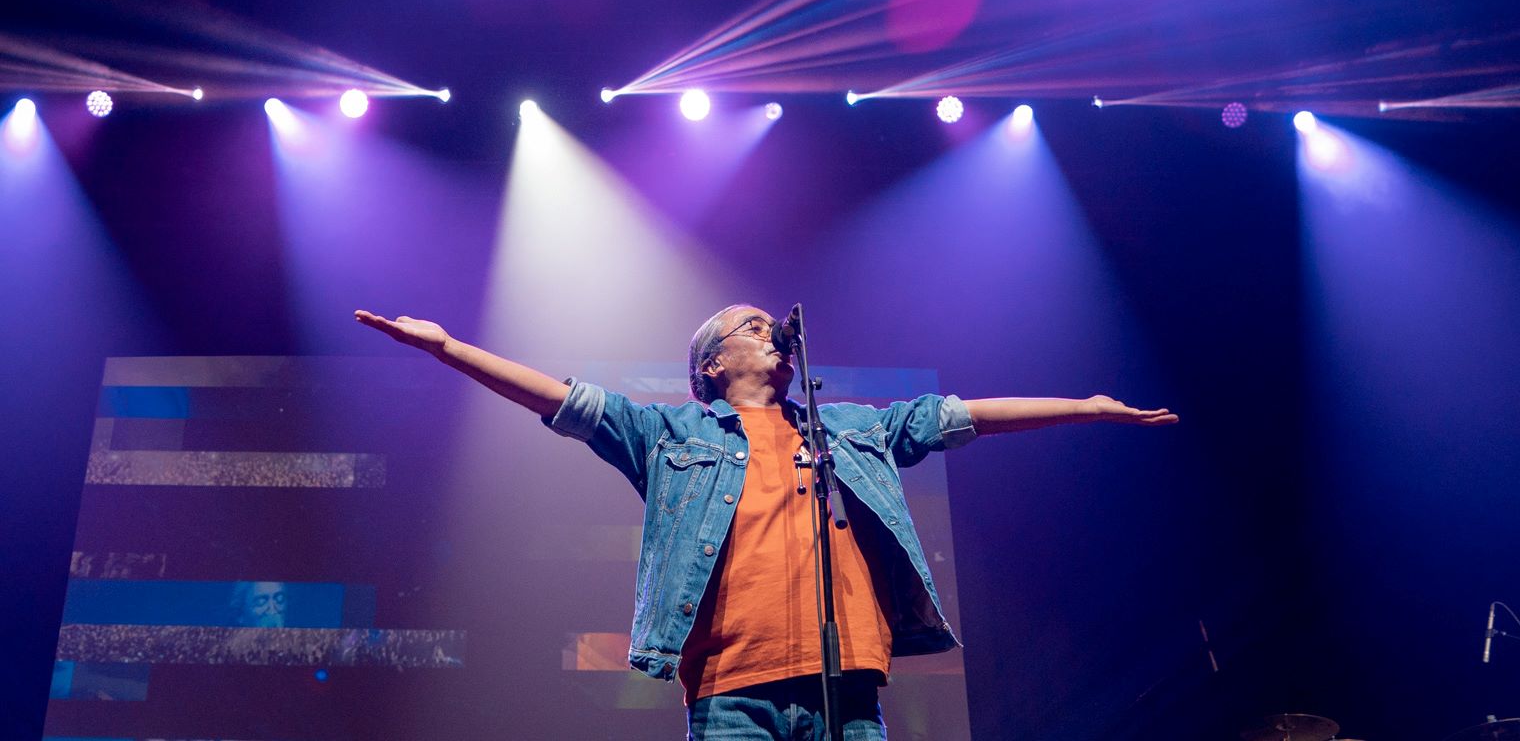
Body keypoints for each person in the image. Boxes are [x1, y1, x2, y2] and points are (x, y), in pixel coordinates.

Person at [355, 304, 1176, 740]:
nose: (768, 332)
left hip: (847, 686)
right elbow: (562, 399)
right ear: (711, 365)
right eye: (748, 326)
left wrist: (1085, 408)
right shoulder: (669, 434)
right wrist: (448, 347)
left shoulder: (847, 428)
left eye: (768, 325)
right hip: (732, 692)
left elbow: (962, 416)